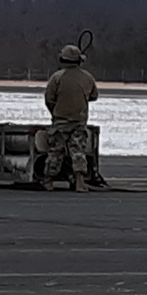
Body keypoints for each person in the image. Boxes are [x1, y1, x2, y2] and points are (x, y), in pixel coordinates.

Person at [43, 44, 99, 192]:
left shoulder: (57, 77)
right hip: (79, 121)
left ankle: (48, 180)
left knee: (55, 152)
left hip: (60, 122)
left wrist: (55, 112)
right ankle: (80, 181)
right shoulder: (88, 77)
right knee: (78, 152)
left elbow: (49, 98)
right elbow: (94, 96)